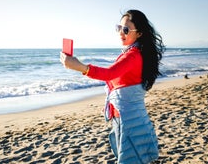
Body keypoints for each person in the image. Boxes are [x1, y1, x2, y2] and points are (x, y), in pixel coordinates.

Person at [60, 9, 165, 163]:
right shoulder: (130, 52)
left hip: (129, 118)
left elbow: (109, 74)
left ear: (139, 33)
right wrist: (112, 104)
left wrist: (80, 67)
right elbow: (118, 82)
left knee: (132, 157)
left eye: (126, 30)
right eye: (119, 28)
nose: (121, 33)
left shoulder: (133, 55)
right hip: (123, 115)